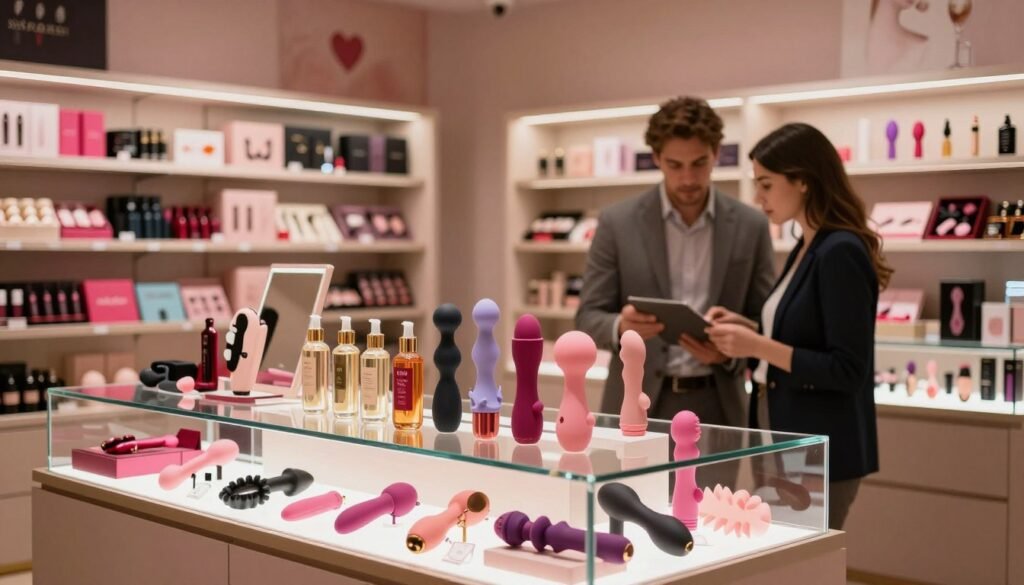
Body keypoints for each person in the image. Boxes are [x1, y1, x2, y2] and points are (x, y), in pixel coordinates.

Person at [705, 122, 890, 530]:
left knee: (805, 565)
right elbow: (803, 333)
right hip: (784, 431)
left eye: (767, 185)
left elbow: (846, 368)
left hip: (817, 444)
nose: (759, 198)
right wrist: (749, 327)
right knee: (785, 557)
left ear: (803, 181)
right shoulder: (808, 244)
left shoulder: (840, 251)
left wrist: (755, 344)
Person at [575, 96, 775, 432]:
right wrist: (621, 328)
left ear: (716, 153)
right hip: (634, 401)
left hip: (718, 406)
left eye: (698, 163)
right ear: (655, 158)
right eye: (674, 165)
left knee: (715, 490)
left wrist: (728, 353)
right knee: (631, 489)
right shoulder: (617, 222)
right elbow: (587, 318)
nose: (687, 179)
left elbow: (765, 323)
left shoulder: (750, 225)